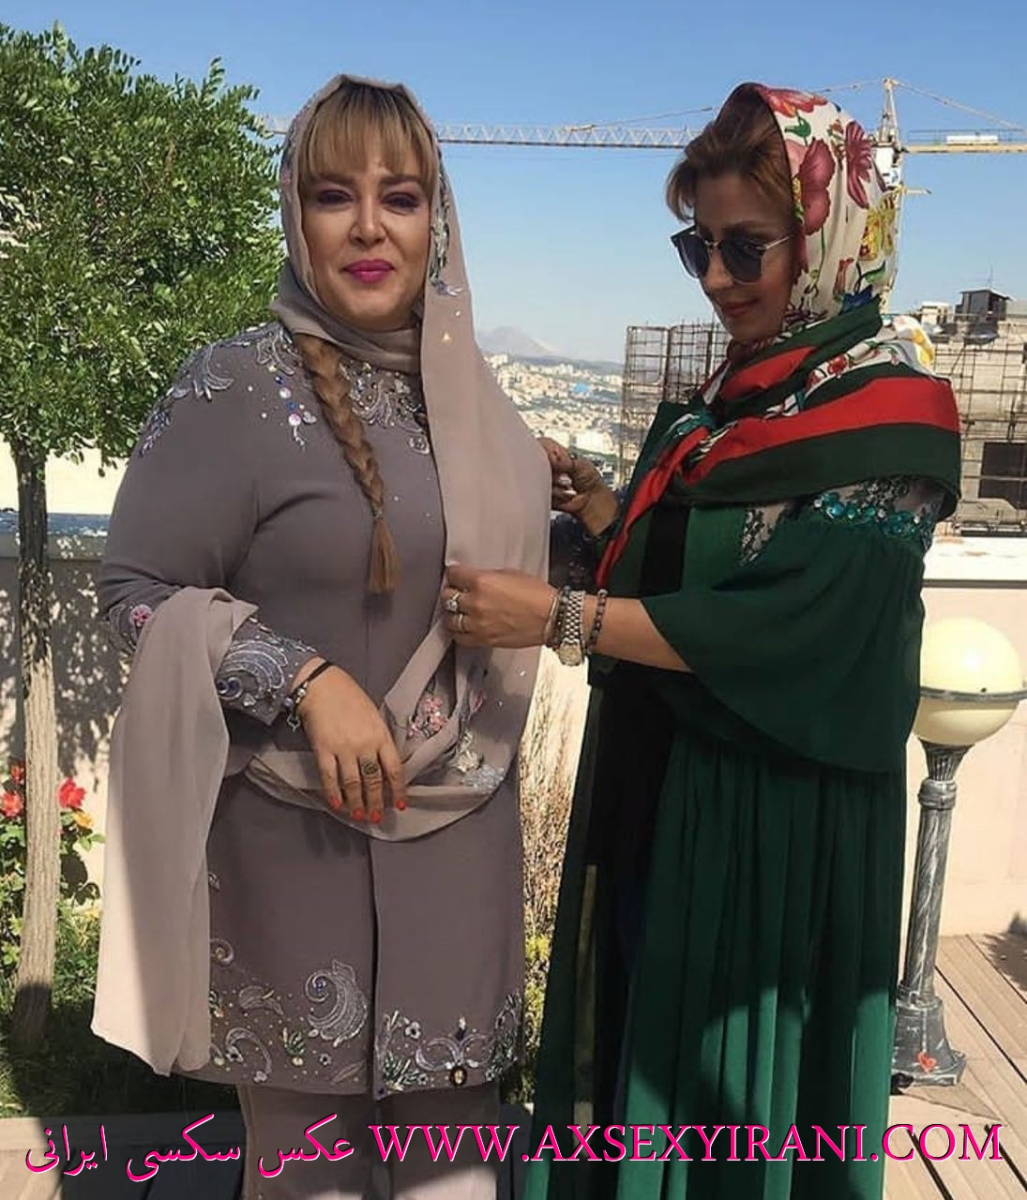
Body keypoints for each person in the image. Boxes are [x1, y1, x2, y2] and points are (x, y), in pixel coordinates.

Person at [440, 83, 962, 1199]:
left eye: (745, 247)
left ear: (825, 241)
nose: (717, 279)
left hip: (773, 823)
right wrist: (602, 510)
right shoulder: (734, 397)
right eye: (698, 248)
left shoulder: (891, 414)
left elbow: (796, 628)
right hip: (663, 795)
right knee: (648, 1068)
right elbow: (697, 572)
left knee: (725, 1110)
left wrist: (561, 619)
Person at [91, 73, 550, 1200]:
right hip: (291, 857)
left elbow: (499, 590)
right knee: (309, 1183)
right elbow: (135, 592)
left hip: (456, 848)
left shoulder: (477, 403)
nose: (367, 227)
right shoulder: (232, 389)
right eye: (333, 194)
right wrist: (299, 677)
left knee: (457, 1180)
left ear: (437, 219)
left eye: (400, 197)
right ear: (295, 214)